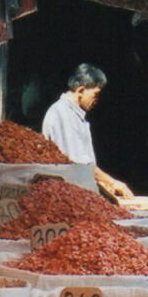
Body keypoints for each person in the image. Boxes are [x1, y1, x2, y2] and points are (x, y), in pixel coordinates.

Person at [40, 62, 132, 199]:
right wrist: (113, 182)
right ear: (81, 90)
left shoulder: (75, 115)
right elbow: (79, 165)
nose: (97, 100)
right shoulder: (62, 114)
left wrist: (102, 182)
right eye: (95, 94)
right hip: (66, 197)